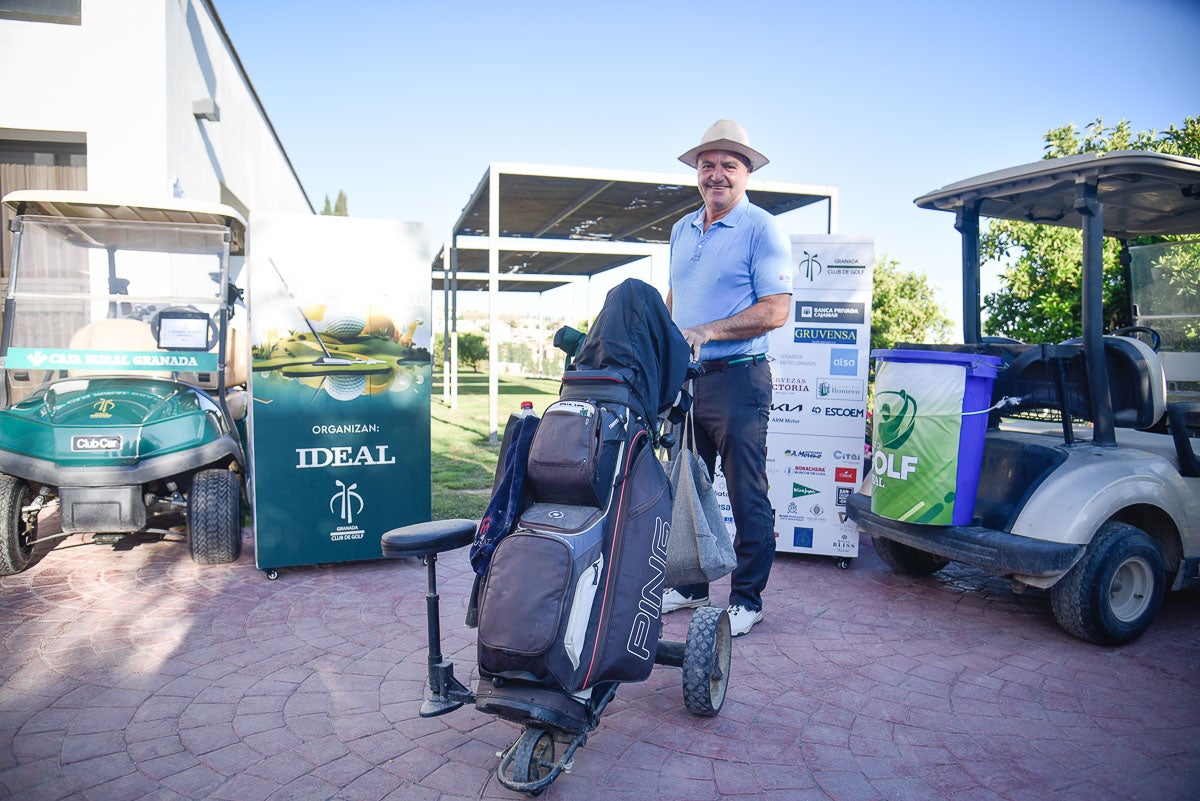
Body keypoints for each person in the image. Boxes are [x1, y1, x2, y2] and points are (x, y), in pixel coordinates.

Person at [662, 119, 792, 637]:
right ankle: (692, 586)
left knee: (746, 495)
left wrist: (708, 331)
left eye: (728, 165)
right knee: (687, 490)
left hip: (739, 380)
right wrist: (664, 340)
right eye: (707, 165)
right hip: (689, 382)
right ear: (698, 172)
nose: (716, 174)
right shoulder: (681, 228)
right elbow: (676, 299)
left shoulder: (762, 228)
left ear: (747, 173)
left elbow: (776, 309)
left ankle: (747, 599)